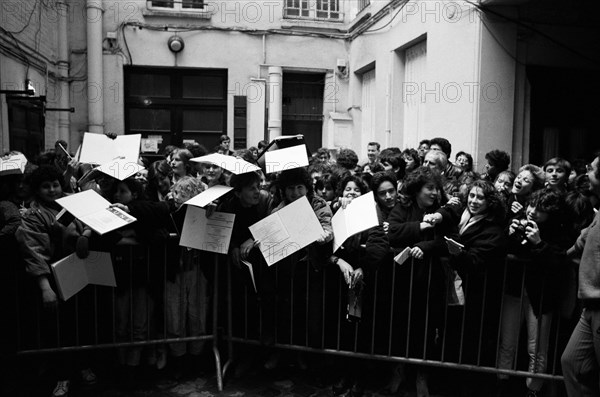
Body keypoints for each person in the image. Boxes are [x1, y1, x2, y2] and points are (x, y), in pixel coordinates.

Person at [15, 165, 97, 397]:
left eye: (55, 184)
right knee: (59, 329)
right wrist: (44, 287)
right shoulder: (32, 215)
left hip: (81, 269)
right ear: (37, 190)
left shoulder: (75, 201)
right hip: (54, 274)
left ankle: (84, 365)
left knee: (84, 322)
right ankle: (62, 376)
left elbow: (96, 219)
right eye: (46, 186)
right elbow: (33, 252)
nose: (52, 190)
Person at [498, 188, 568, 397]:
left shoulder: (558, 233)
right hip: (515, 291)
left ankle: (533, 391)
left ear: (551, 213)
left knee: (536, 349)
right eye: (531, 206)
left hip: (541, 297)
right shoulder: (520, 223)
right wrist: (510, 234)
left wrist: (539, 243)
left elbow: (559, 262)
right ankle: (502, 384)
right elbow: (504, 249)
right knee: (507, 343)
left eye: (540, 209)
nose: (532, 212)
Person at [330, 174, 388, 397]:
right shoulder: (336, 209)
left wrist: (363, 268)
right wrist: (337, 260)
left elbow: (379, 242)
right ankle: (344, 374)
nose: (351, 193)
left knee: (361, 330)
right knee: (341, 330)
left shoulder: (371, 209)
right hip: (338, 278)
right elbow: (326, 242)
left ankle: (359, 378)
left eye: (356, 190)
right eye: (347, 189)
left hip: (362, 279)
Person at [561, 152, 600, 397]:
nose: (587, 173)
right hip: (590, 306)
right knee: (571, 362)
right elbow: (579, 246)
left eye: (592, 169)